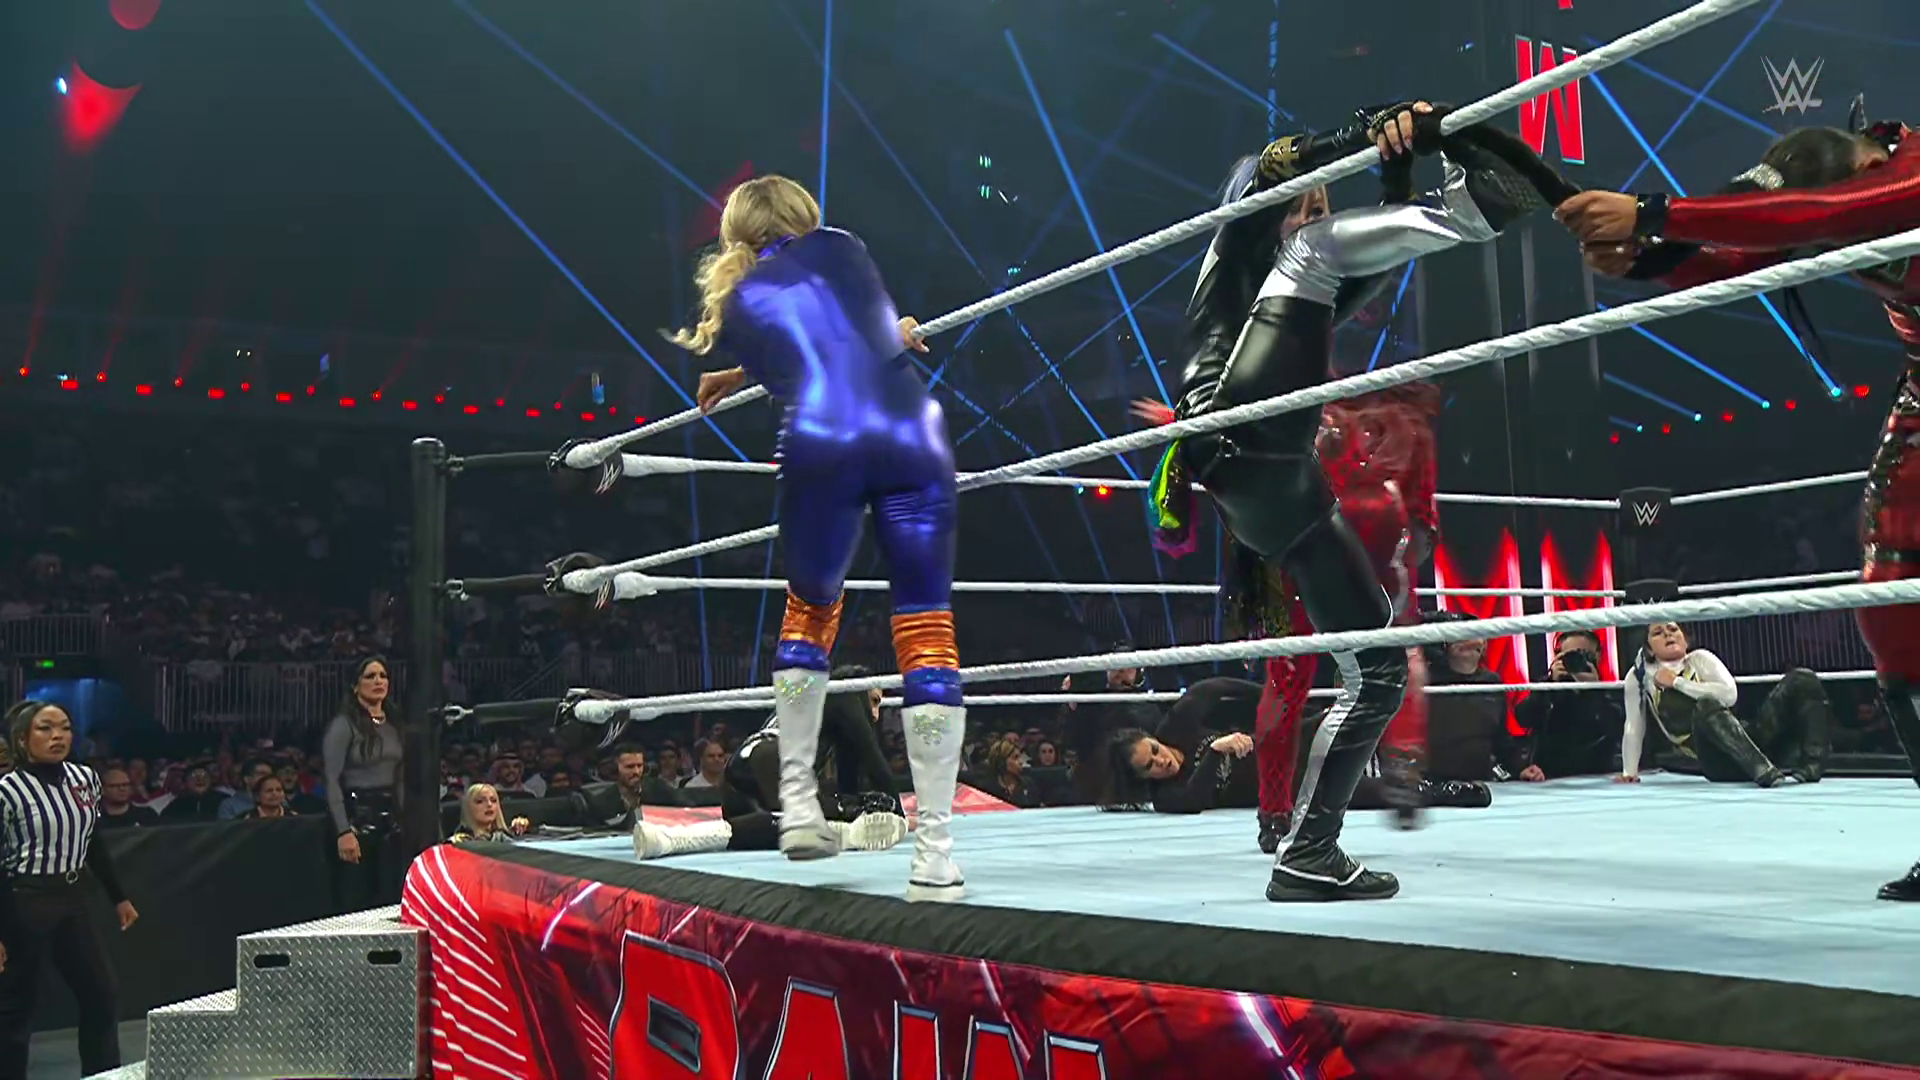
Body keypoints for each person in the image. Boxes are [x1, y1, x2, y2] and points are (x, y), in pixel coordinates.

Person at [1141, 102, 1576, 900]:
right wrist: (1365, 130)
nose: (1311, 218)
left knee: (1377, 665)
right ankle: (1475, 205)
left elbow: (1372, 268)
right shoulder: (1238, 243)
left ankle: (1309, 853)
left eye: (1321, 206)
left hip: (1279, 485)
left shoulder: (1300, 300)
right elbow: (1275, 169)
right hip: (1231, 428)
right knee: (1314, 254)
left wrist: (1395, 170)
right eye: (1300, 205)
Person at [1556, 106, 1920, 898]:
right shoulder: (1827, 192)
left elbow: (1825, 213)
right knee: (1888, 597)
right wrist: (1647, 260)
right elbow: (1745, 247)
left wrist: (1652, 212)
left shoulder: (1899, 179)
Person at [674, 175, 964, 901]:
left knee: (810, 612)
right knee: (926, 629)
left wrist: (736, 369)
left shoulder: (737, 298)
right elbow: (864, 343)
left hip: (821, 442)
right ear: (802, 215)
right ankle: (935, 851)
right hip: (909, 434)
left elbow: (810, 357)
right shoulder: (841, 246)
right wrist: (897, 331)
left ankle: (801, 808)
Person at [0, 701, 138, 1080]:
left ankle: (102, 1075)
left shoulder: (85, 778)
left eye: (64, 727)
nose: (58, 736)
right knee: (15, 1006)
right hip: (24, 900)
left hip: (73, 897)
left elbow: (93, 840)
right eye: (45, 728)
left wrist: (118, 896)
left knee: (102, 993)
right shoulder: (7, 790)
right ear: (22, 738)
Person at [630, 678, 909, 860]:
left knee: (765, 830)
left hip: (743, 764)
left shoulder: (813, 697)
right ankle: (842, 834)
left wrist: (849, 805)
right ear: (861, 691)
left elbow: (849, 778)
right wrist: (900, 815)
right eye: (874, 701)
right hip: (773, 758)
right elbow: (873, 758)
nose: (876, 715)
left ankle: (665, 840)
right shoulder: (845, 694)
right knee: (812, 818)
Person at [1618, 622, 1832, 788]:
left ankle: (1812, 766)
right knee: (1705, 704)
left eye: (1673, 629)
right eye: (1658, 632)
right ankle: (1762, 770)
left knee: (1802, 678)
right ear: (1648, 648)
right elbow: (1634, 725)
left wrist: (1677, 682)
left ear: (1686, 640)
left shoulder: (1701, 659)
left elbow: (1730, 695)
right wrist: (1629, 772)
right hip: (1718, 760)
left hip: (1748, 742)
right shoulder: (1640, 677)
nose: (1668, 634)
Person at [1089, 678, 1260, 813]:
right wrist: (1215, 750)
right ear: (1142, 777)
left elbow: (1213, 687)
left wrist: (1266, 693)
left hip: (1265, 750)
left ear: (1153, 739)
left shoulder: (1174, 726)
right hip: (1264, 792)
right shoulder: (1163, 796)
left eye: (1155, 750)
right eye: (1149, 765)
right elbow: (1192, 801)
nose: (1161, 761)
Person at [323, 656, 405, 909]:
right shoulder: (343, 724)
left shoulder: (395, 722)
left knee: (391, 897)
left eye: (383, 676)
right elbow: (331, 779)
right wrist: (343, 831)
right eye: (370, 676)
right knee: (356, 899)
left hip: (391, 820)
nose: (378, 681)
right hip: (357, 816)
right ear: (355, 686)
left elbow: (401, 776)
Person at [1515, 630, 1621, 779]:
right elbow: (1523, 718)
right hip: (1550, 776)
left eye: (1582, 654)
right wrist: (1551, 684)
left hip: (1598, 775)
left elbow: (1617, 727)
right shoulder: (1548, 688)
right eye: (1569, 655)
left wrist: (1594, 689)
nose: (1576, 660)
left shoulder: (1610, 690)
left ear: (1597, 656)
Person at [449, 783, 529, 844]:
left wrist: (519, 832)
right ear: (468, 808)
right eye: (480, 801)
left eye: (493, 800)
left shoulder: (502, 837)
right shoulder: (459, 842)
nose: (489, 805)